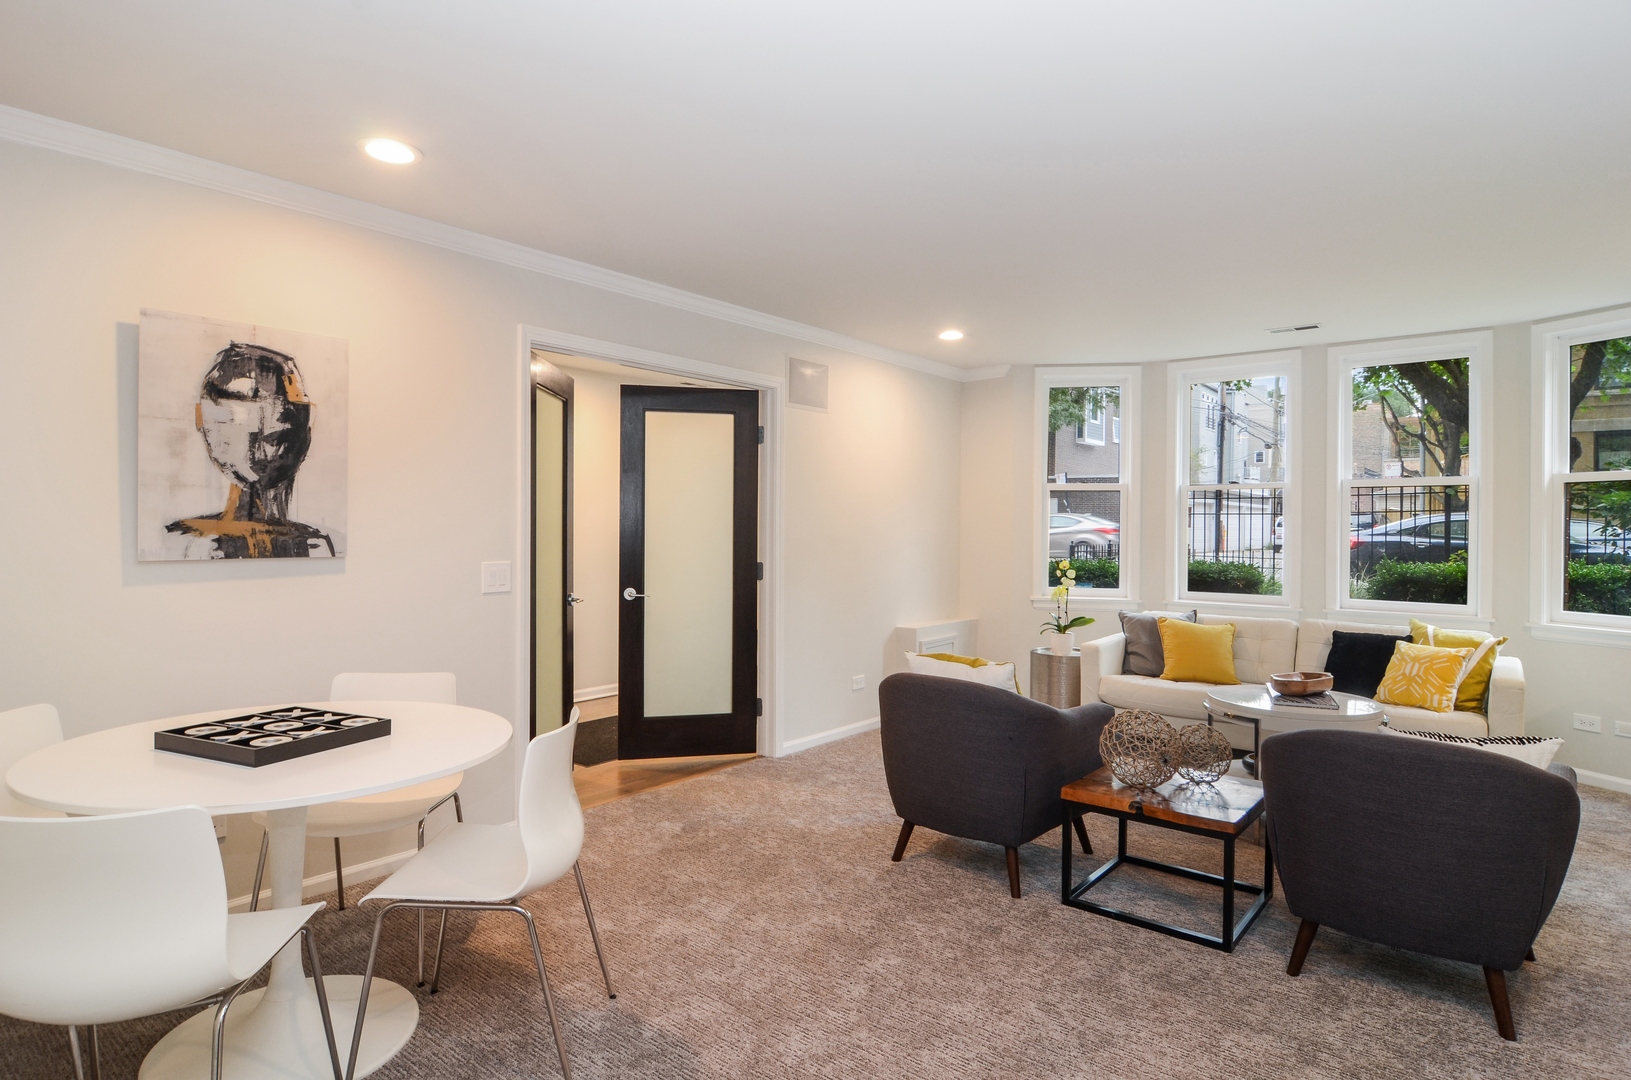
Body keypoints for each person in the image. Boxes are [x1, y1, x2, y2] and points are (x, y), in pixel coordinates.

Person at [166, 342, 335, 558]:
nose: (270, 419)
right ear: (201, 416)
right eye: (244, 398)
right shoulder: (187, 542)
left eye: (292, 404)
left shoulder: (316, 544)